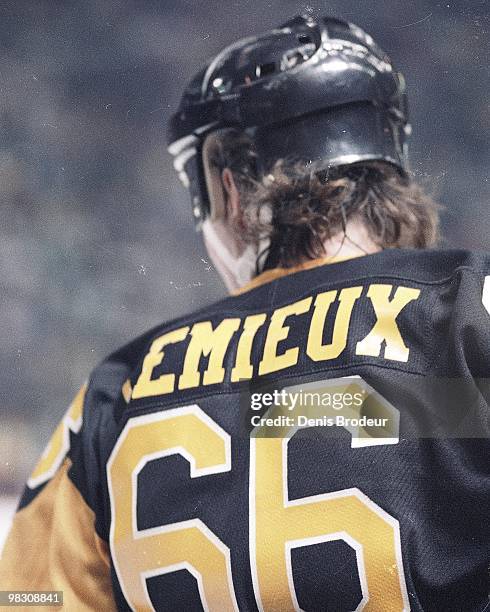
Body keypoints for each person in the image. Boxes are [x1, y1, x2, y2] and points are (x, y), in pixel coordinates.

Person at [1, 14, 488, 611]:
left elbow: (28, 600)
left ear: (229, 189)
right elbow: (348, 414)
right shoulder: (467, 311)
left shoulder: (116, 393)